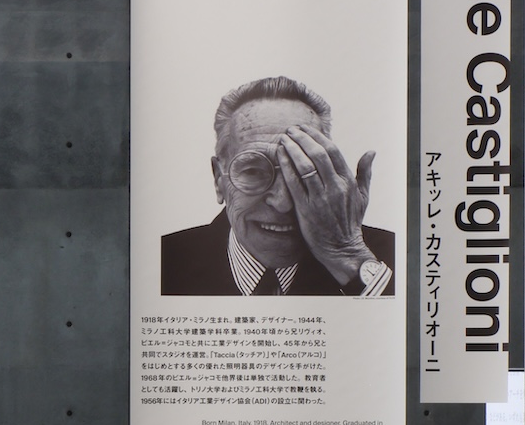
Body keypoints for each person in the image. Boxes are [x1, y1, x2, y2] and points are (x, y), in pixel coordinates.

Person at [161, 75, 395, 296]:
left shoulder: (387, 253)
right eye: (253, 171)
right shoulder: (166, 260)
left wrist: (347, 257)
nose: (283, 203)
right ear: (218, 179)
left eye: (301, 169)